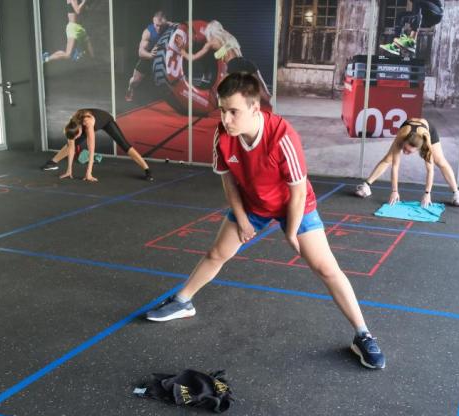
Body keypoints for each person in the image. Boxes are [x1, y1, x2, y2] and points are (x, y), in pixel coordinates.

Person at [146, 73, 385, 370]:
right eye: (222, 110)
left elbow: (298, 192)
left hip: (293, 205)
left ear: (255, 108)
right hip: (253, 203)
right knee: (217, 253)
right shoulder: (223, 136)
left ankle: (363, 335)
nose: (226, 119)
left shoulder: (282, 136)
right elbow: (229, 183)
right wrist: (243, 220)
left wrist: (292, 233)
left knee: (326, 268)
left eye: (234, 112)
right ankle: (183, 301)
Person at [354, 118, 459, 207]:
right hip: (407, 128)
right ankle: (366, 186)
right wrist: (394, 191)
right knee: (388, 159)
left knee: (440, 161)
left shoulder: (426, 144)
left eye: (409, 151)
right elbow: (395, 166)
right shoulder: (401, 137)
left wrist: (427, 193)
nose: (405, 152)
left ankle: (456, 194)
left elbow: (430, 170)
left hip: (428, 129)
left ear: (418, 149)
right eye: (405, 148)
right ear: (404, 142)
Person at [41, 108, 152, 182]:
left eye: (77, 136)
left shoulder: (88, 123)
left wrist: (88, 173)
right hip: (83, 125)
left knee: (124, 144)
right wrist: (69, 170)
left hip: (106, 120)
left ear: (80, 130)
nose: (75, 139)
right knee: (70, 144)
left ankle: (147, 169)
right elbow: (71, 147)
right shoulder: (71, 126)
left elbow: (91, 150)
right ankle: (52, 162)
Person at [180, 20, 273, 108]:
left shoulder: (211, 43)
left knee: (219, 91)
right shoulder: (230, 37)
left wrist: (182, 51)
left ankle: (230, 110)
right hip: (247, 63)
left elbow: (193, 57)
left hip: (234, 65)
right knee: (265, 95)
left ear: (209, 32)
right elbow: (228, 52)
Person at [125, 11, 169, 102]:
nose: (159, 28)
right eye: (157, 25)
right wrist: (151, 55)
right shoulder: (148, 32)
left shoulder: (167, 25)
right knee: (135, 81)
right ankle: (130, 88)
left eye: (161, 26)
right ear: (153, 21)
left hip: (162, 57)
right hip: (147, 57)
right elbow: (140, 52)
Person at [380, 0, 444, 56]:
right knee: (400, 16)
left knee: (417, 6)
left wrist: (413, 29)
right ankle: (395, 45)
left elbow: (417, 9)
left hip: (436, 13)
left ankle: (412, 41)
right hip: (424, 17)